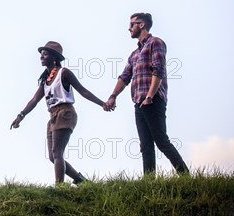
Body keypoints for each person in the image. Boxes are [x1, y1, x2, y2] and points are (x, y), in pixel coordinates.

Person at [10, 41, 106, 185]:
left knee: (57, 152)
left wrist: (103, 104)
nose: (41, 57)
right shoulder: (45, 79)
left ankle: (59, 187)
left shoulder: (64, 73)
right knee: (52, 156)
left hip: (65, 113)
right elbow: (34, 100)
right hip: (53, 116)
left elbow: (83, 91)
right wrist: (20, 115)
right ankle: (80, 180)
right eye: (41, 54)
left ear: (54, 57)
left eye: (45, 54)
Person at [105, 13, 189, 175]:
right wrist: (113, 96)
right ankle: (149, 181)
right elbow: (125, 77)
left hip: (153, 100)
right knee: (145, 145)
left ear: (142, 25)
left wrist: (150, 96)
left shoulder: (155, 43)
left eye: (132, 24)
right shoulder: (134, 54)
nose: (129, 28)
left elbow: (159, 69)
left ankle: (185, 175)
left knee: (161, 141)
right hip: (139, 102)